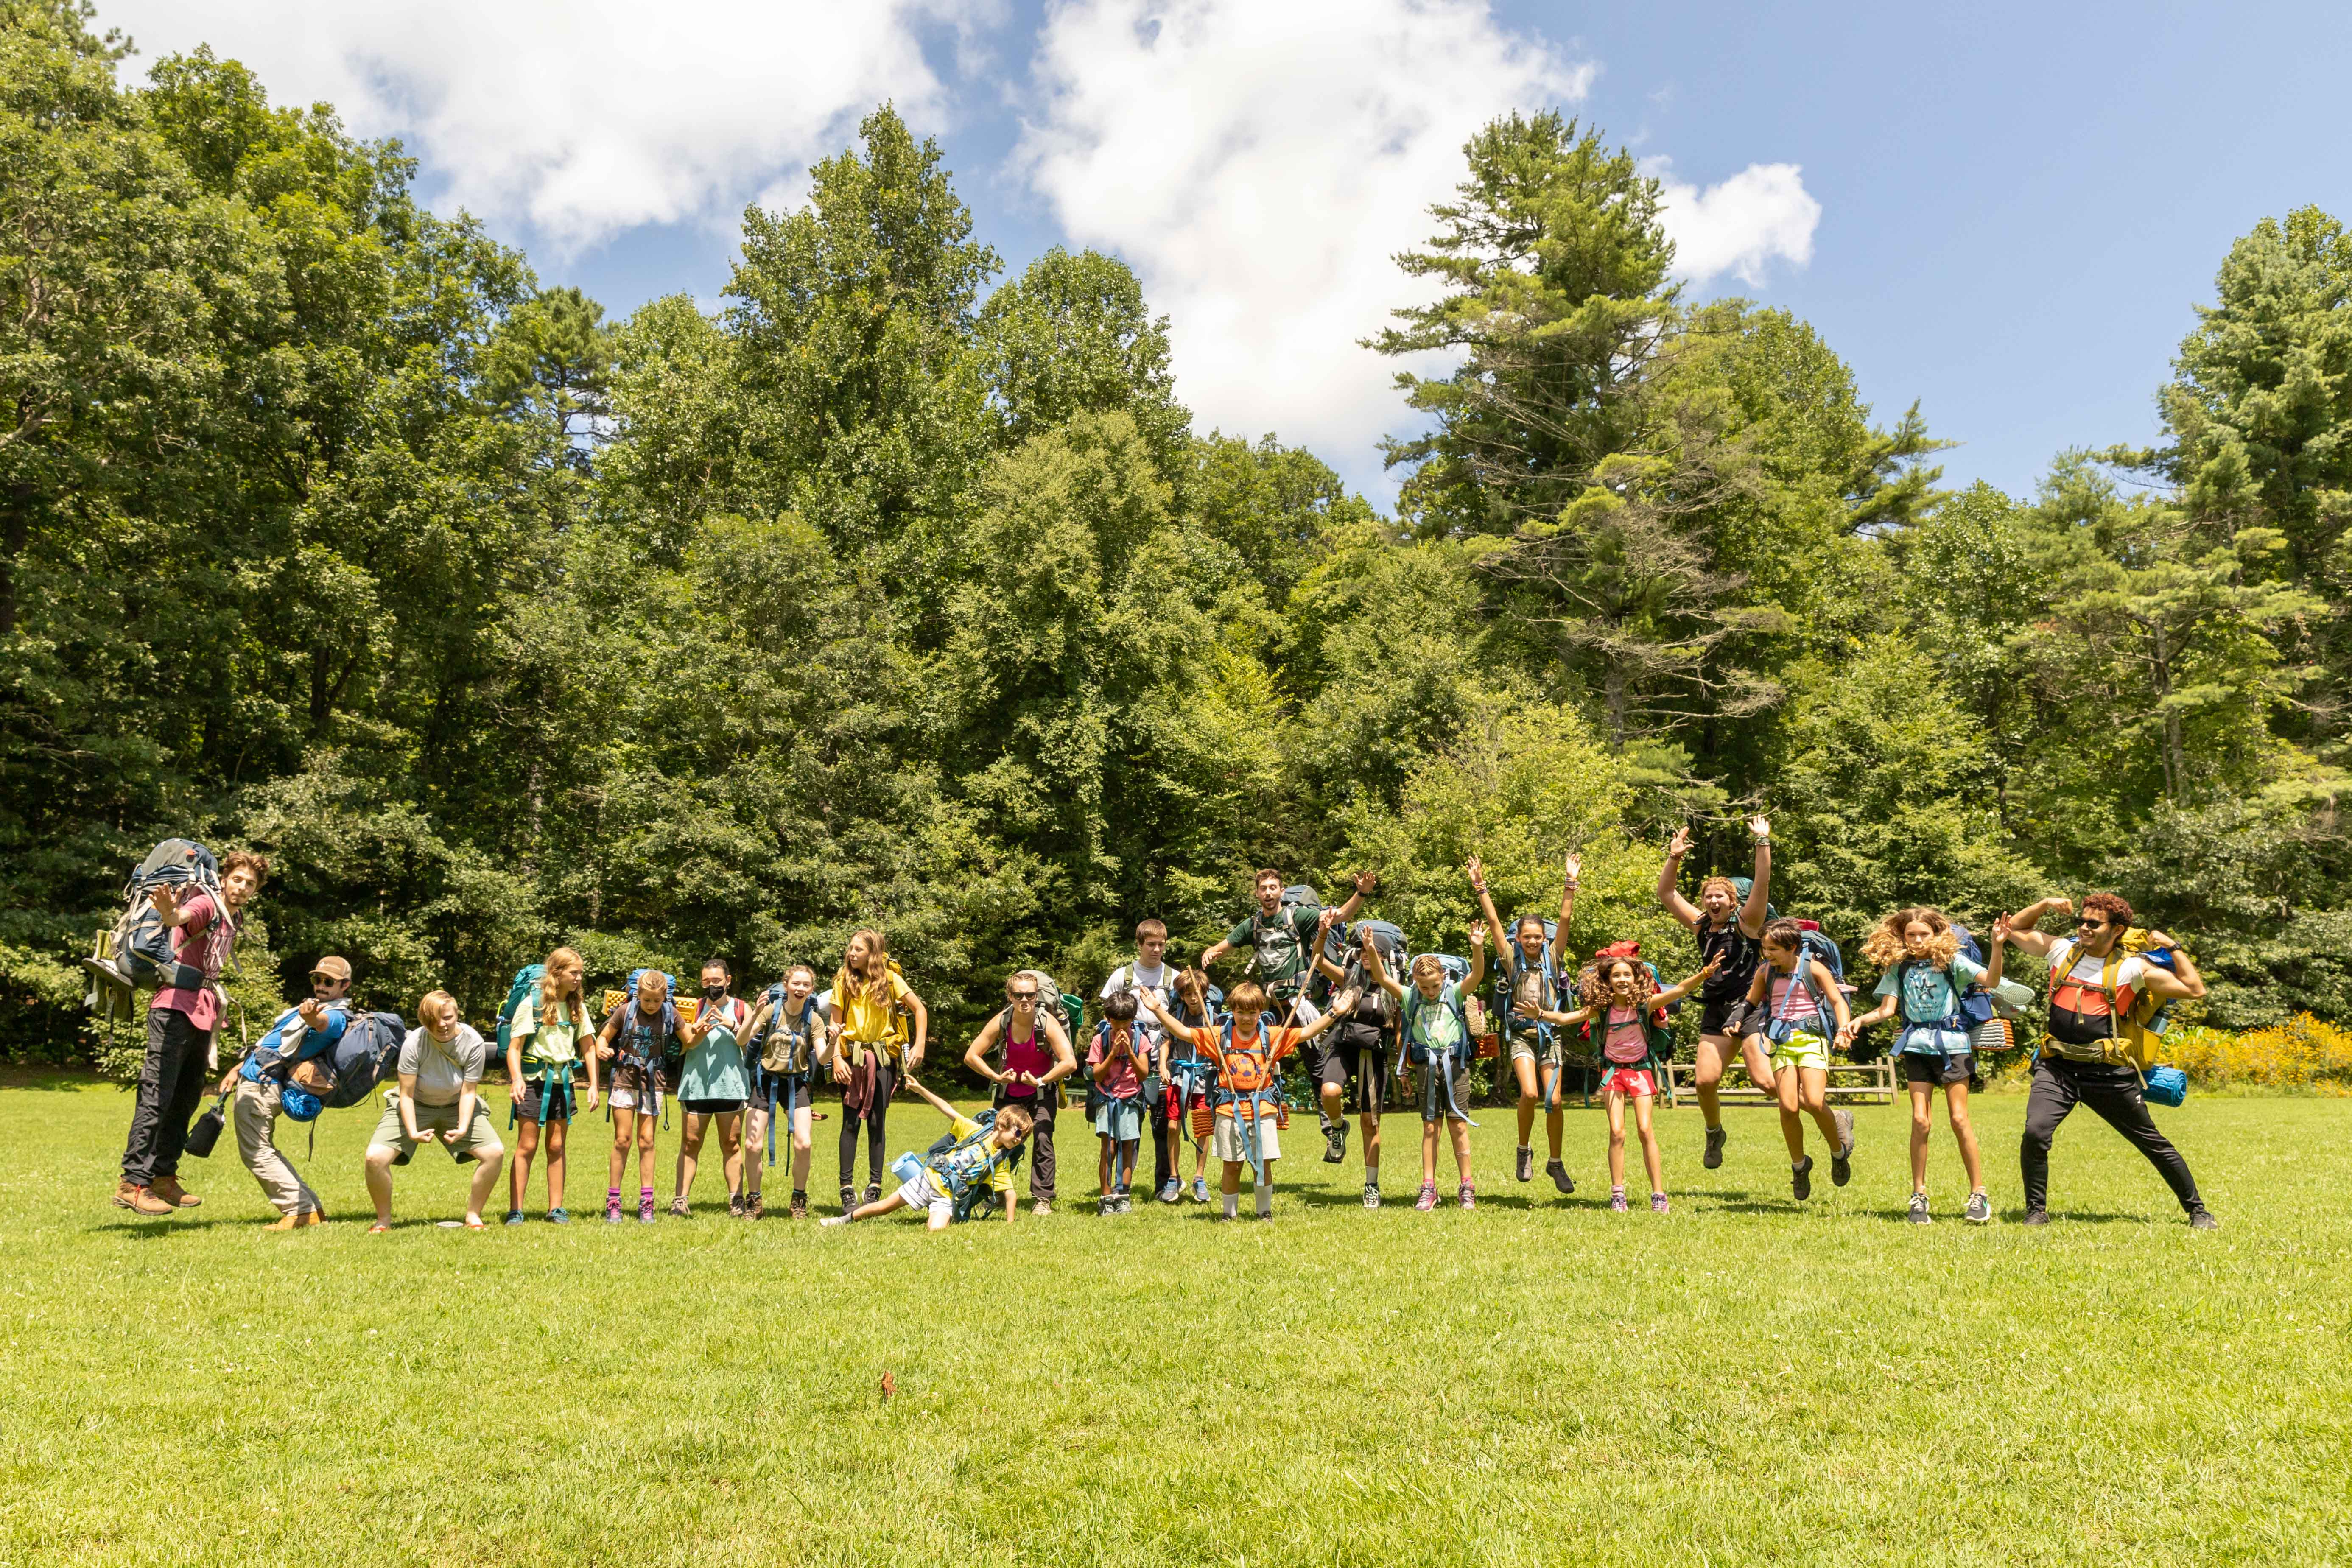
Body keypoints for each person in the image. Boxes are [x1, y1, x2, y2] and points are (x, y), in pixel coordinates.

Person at [1992, 894, 2217, 1229]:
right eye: (2081, 921)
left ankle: (2198, 1211)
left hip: (2108, 1073)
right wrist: (2043, 904)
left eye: (2093, 924)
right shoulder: (2061, 951)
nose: (2083, 928)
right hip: (2057, 1068)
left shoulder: (2133, 968)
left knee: (2151, 1142)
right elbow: (2012, 929)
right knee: (2035, 1133)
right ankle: (2036, 1211)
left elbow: (2195, 989)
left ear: (2117, 930)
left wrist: (2173, 947)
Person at [117, 849, 268, 1217]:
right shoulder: (206, 902)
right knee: (156, 1094)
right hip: (173, 1007)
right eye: (237, 879)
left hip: (203, 1010)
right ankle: (132, 1183)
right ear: (224, 879)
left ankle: (162, 1176)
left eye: (250, 883)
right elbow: (180, 918)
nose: (242, 887)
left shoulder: (234, 916)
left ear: (256, 890)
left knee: (186, 1097)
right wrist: (169, 912)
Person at [1141, 980, 1352, 1220]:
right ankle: (1229, 1214)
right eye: (1240, 1012)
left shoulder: (1271, 1036)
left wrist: (1334, 1013)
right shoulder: (1220, 1035)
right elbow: (1184, 1033)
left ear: (1260, 1012)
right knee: (1231, 1165)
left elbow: (1305, 1033)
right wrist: (1157, 1010)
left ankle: (1264, 1212)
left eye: (1252, 1012)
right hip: (1229, 1110)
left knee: (1263, 1164)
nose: (1246, 1018)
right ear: (1232, 1011)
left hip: (1264, 1109)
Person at [1843, 908, 2002, 1224]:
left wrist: (1997, 946)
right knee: (1920, 1120)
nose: (1917, 941)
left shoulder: (1953, 963)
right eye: (1911, 935)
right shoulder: (1899, 968)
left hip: (1953, 1048)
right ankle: (1919, 1195)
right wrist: (1860, 1019)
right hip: (1916, 1047)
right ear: (1902, 937)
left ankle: (1979, 1193)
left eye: (1924, 935)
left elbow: (1992, 980)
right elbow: (1886, 1010)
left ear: (1937, 934)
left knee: (1959, 1119)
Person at [1539, 952, 1717, 1212]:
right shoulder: (1601, 1010)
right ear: (1608, 980)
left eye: (1627, 975)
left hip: (1641, 1072)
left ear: (1636, 979)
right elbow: (1566, 1018)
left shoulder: (1646, 1005)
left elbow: (1680, 990)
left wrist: (1704, 974)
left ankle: (1659, 1194)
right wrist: (1540, 1014)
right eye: (1616, 976)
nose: (1622, 980)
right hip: (1613, 1074)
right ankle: (1617, 1193)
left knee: (1645, 1130)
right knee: (1617, 1133)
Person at [1656, 817, 1774, 1171]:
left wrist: (1762, 842)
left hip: (1750, 1008)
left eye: (1719, 895)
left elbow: (1762, 884)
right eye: (1708, 896)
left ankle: (1827, 1113)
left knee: (1765, 1081)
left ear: (1732, 901)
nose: (1712, 900)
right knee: (1705, 1082)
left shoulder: (1748, 923)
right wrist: (1674, 856)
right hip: (1716, 1009)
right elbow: (1666, 894)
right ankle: (1714, 1132)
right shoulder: (1702, 925)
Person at [1466, 852, 1579, 1194]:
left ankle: (1555, 1162)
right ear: (1518, 938)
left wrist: (1570, 883)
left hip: (1550, 1035)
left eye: (1537, 937)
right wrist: (1480, 886)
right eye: (1526, 936)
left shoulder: (1553, 956)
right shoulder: (1510, 957)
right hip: (1520, 1036)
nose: (1532, 941)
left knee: (1554, 1101)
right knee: (1530, 1093)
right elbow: (1494, 922)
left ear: (1544, 938)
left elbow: (1565, 919)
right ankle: (1523, 1149)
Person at [220, 954, 350, 1230]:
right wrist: (236, 1069)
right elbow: (272, 1046)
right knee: (264, 1149)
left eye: (330, 982)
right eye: (318, 979)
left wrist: (311, 1016)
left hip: (263, 1085)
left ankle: (299, 1210)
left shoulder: (335, 1015)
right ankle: (312, 1210)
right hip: (256, 1076)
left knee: (257, 1152)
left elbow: (322, 1023)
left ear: (345, 986)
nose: (321, 985)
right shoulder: (306, 1009)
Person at [364, 990, 504, 1231]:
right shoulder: (414, 1043)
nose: (441, 1025)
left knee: (495, 1153)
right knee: (374, 1158)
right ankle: (383, 1220)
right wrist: (412, 1132)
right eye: (433, 1020)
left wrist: (463, 1127)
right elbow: (406, 1094)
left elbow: (469, 1091)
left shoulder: (473, 1041)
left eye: (448, 1018)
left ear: (457, 1015)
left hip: (456, 1106)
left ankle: (473, 1215)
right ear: (423, 1020)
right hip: (416, 1105)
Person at [821, 1073, 1032, 1231]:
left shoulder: (999, 1161)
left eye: (1023, 1138)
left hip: (947, 1196)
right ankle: (843, 1220)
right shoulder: (974, 1131)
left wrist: (1010, 1224)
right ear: (1002, 1125)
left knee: (936, 1230)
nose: (1019, 1140)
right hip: (928, 1180)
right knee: (883, 1207)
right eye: (1018, 1133)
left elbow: (1010, 1193)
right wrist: (920, 1090)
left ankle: (932, 1212)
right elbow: (948, 1109)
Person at [1741, 919, 1857, 1202]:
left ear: (1792, 947)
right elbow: (1751, 1002)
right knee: (1789, 1108)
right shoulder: (1764, 971)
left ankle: (1838, 1153)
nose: (1767, 954)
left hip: (1811, 1039)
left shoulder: (1813, 969)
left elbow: (1838, 1001)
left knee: (1815, 1102)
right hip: (1781, 1042)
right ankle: (1799, 1166)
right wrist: (1735, 1020)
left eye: (1773, 949)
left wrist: (1844, 1030)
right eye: (1764, 948)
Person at [1359, 944, 1479, 1212]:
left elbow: (1477, 975)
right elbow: (1383, 977)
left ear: (1443, 977)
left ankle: (1467, 1186)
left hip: (1456, 1065)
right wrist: (1371, 950)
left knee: (1459, 1126)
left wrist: (1477, 948)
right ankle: (1429, 1187)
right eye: (1425, 987)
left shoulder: (1455, 993)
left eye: (1435, 986)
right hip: (1426, 1067)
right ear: (1415, 981)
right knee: (1430, 1128)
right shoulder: (1409, 996)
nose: (1431, 992)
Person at [828, 929, 928, 1215]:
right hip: (851, 1059)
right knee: (850, 1123)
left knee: (877, 1123)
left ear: (873, 953)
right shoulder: (843, 982)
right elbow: (835, 1026)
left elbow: (920, 1010)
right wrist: (836, 1059)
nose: (852, 954)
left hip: (883, 1059)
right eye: (851, 948)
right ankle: (847, 1190)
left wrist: (919, 1045)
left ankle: (874, 1187)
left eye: (858, 949)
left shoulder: (891, 980)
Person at [1197, 868, 1376, 1028]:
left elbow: (1342, 915)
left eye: (1273, 888)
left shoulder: (1297, 916)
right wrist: (1209, 954)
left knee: (1314, 1053)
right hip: (1269, 1005)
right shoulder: (1252, 925)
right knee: (1268, 1051)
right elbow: (1219, 949)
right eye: (1263, 888)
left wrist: (1361, 893)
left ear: (1282, 892)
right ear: (1257, 893)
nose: (1268, 893)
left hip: (1299, 1002)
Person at [961, 969, 1077, 1215]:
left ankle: (1043, 1199)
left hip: (1042, 1092)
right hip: (1009, 1092)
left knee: (1043, 1138)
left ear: (1037, 996)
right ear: (1010, 997)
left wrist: (1041, 1080)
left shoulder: (1047, 1023)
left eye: (1030, 995)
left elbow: (1070, 1062)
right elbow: (971, 1056)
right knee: (997, 1142)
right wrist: (996, 1077)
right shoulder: (1002, 1021)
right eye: (1019, 995)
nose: (1025, 1000)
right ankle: (994, 1194)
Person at [504, 946, 598, 1224]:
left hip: (563, 1083)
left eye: (580, 973)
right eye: (574, 972)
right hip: (534, 1082)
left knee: (557, 1146)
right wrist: (517, 1079)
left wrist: (594, 1084)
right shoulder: (532, 1004)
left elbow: (589, 1047)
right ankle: (516, 1210)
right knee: (527, 1146)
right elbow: (515, 1048)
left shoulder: (577, 1007)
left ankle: (556, 1209)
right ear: (557, 973)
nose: (579, 978)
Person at [1305, 925, 1395, 1207]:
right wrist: (1323, 933)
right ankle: (1338, 1127)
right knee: (1329, 1092)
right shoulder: (1349, 979)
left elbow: (1401, 1028)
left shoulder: (1392, 989)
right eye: (1362, 950)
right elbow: (1317, 960)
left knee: (1370, 1123)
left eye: (1373, 950)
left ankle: (1371, 1185)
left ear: (1384, 957)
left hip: (1374, 1054)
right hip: (1343, 1045)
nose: (1366, 955)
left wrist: (1403, 1066)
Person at [598, 968, 691, 1224]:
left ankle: (647, 1202)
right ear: (638, 994)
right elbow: (603, 1037)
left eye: (657, 1000)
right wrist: (601, 1048)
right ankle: (614, 1201)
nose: (651, 1005)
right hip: (624, 1080)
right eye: (647, 999)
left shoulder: (671, 1014)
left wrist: (701, 1032)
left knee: (647, 1141)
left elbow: (690, 1040)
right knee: (622, 1140)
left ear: (665, 998)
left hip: (653, 1082)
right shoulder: (625, 1011)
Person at [1100, 920, 1181, 1202]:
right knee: (1127, 1129)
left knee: (1163, 1126)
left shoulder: (1174, 978)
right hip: (1127, 1062)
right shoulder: (1121, 977)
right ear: (1139, 944)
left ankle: (1165, 1184)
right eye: (1151, 944)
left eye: (1161, 944)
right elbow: (1107, 1018)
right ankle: (1122, 1187)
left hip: (1165, 1059)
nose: (1157, 950)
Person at [742, 964, 825, 1218]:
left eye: (806, 985)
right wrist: (755, 1014)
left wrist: (834, 1041)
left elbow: (823, 1058)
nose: (800, 988)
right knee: (752, 1146)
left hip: (796, 1084)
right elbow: (740, 1040)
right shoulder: (771, 1011)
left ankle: (799, 1200)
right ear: (786, 985)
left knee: (804, 1144)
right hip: (765, 1082)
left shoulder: (814, 1020)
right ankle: (754, 1201)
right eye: (796, 983)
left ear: (811, 989)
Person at [672, 959, 752, 1217]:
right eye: (706, 981)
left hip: (731, 1087)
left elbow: (752, 1047)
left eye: (716, 981)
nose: (711, 986)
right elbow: (680, 1047)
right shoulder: (692, 1009)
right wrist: (698, 1031)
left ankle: (736, 1200)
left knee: (732, 1144)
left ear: (728, 981)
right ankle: (680, 1201)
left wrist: (731, 1025)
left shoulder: (742, 1008)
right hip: (696, 1087)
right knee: (690, 1143)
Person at [1088, 991, 1155, 1214]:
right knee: (1109, 1148)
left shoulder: (1140, 1040)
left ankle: (1123, 1194)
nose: (1121, 1027)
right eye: (1116, 1022)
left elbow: (1143, 1074)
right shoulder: (1100, 1040)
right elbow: (1098, 1075)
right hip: (1107, 1099)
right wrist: (1114, 1052)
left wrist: (1130, 1052)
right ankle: (1106, 1196)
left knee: (1128, 1147)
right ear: (1109, 1019)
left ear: (1133, 1019)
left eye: (1126, 1021)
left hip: (1131, 1099)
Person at [1161, 967, 1221, 1203]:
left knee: (1203, 1128)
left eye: (1197, 993)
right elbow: (1167, 1041)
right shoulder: (1176, 1014)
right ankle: (1173, 1177)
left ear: (1205, 993)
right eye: (1188, 994)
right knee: (1172, 1127)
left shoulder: (1214, 1016)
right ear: (1182, 996)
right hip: (1178, 1076)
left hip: (1205, 1079)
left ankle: (1199, 1178)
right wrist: (1163, 1066)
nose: (1193, 999)